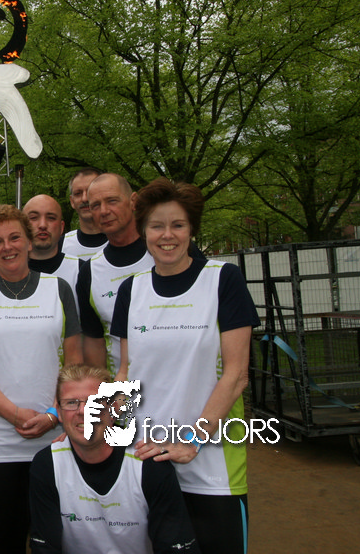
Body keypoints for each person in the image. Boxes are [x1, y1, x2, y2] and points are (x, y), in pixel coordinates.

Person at [110, 178, 259, 554]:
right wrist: (115, 438)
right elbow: (125, 372)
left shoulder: (223, 280)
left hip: (212, 466)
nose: (167, 235)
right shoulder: (131, 290)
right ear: (143, 231)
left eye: (177, 225)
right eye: (157, 226)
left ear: (191, 229)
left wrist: (193, 441)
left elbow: (237, 375)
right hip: (146, 461)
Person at [0, 204, 83, 554]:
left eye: (14, 238)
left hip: (54, 435)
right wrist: (13, 414)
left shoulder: (59, 289)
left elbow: (75, 364)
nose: (7, 247)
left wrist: (54, 415)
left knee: (55, 537)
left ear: (28, 241)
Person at [29, 364, 200, 553]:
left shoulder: (148, 462)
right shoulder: (47, 464)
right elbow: (44, 548)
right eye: (71, 403)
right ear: (59, 413)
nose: (83, 410)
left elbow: (177, 547)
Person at [78, 173, 155, 373]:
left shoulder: (166, 251)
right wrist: (103, 388)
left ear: (133, 201)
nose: (104, 211)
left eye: (112, 201)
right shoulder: (89, 272)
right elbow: (94, 341)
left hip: (180, 381)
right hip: (124, 387)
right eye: (95, 205)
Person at [22, 194, 82, 303]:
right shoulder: (0, 273)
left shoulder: (81, 271)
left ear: (61, 227)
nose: (42, 225)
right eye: (33, 218)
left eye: (51, 218)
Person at [62, 167, 107, 260]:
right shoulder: (60, 247)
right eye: (78, 193)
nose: (84, 199)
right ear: (72, 201)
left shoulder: (127, 241)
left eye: (91, 191)